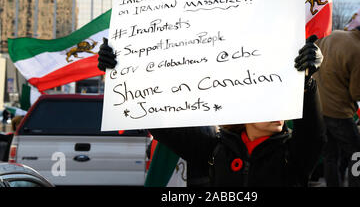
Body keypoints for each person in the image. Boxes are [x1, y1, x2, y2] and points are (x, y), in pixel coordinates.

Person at [98, 35, 326, 187]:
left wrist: (306, 82)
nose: (280, 111)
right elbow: (159, 125)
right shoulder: (215, 150)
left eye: (282, 103)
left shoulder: (293, 154)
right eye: (269, 102)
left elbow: (314, 135)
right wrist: (118, 72)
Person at [313, 20, 360, 187]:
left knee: (330, 156)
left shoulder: (334, 34)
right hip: (338, 112)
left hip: (319, 107)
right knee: (359, 155)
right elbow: (359, 92)